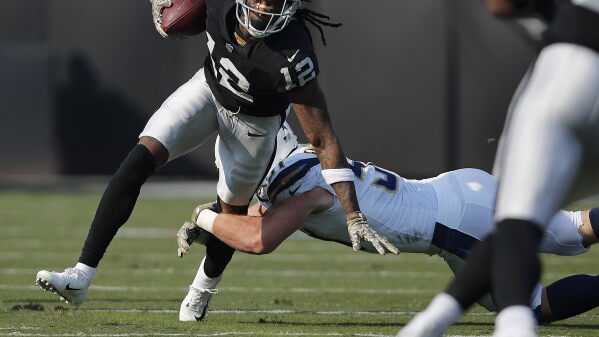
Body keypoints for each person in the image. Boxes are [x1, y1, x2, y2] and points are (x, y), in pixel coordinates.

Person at [35, 0, 397, 308]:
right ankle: (81, 275)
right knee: (139, 159)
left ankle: (201, 291)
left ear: (291, 5)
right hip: (207, 90)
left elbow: (322, 137)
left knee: (230, 216)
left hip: (255, 125)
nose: (263, 8)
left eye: (275, 2)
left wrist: (353, 213)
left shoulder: (291, 57)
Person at [175, 123, 599, 323]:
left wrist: (204, 215)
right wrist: (213, 220)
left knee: (528, 307)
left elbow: (258, 240)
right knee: (576, 228)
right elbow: (254, 218)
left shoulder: (303, 187)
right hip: (462, 189)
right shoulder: (303, 167)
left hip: (458, 227)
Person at [397, 0, 599, 336]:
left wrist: (549, 7)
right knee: (528, 226)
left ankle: (499, 325)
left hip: (572, 67)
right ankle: (434, 321)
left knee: (516, 227)